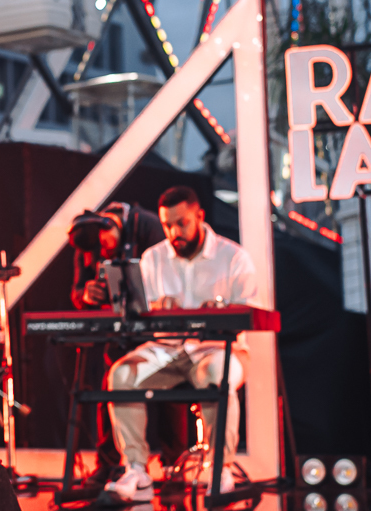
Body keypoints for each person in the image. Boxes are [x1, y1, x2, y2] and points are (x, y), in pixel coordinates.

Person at [101, 186, 256, 504]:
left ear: (199, 216)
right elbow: (140, 314)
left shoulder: (233, 257)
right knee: (121, 376)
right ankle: (136, 471)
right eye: (167, 225)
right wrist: (157, 309)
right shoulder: (153, 258)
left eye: (181, 223)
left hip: (219, 348)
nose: (174, 233)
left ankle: (220, 470)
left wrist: (220, 313)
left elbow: (250, 314)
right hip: (166, 350)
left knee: (217, 374)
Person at [67, 202, 185, 493]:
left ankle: (175, 464)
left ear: (110, 225)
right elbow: (77, 290)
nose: (102, 250)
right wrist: (87, 295)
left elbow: (171, 273)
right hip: (120, 330)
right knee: (112, 386)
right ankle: (110, 464)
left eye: (104, 243)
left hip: (157, 329)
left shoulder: (148, 228)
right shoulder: (88, 243)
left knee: (171, 389)